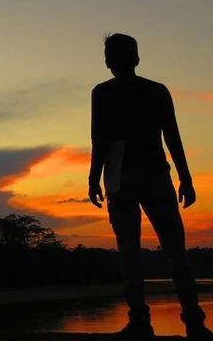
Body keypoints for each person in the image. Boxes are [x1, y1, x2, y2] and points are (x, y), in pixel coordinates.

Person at [89, 33, 211, 340]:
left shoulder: (101, 93)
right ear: (137, 59)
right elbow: (172, 136)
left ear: (108, 62)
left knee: (129, 253)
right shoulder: (157, 90)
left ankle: (140, 322)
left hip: (121, 179)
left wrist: (93, 178)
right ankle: (194, 322)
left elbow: (99, 140)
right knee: (176, 252)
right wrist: (185, 177)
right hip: (157, 176)